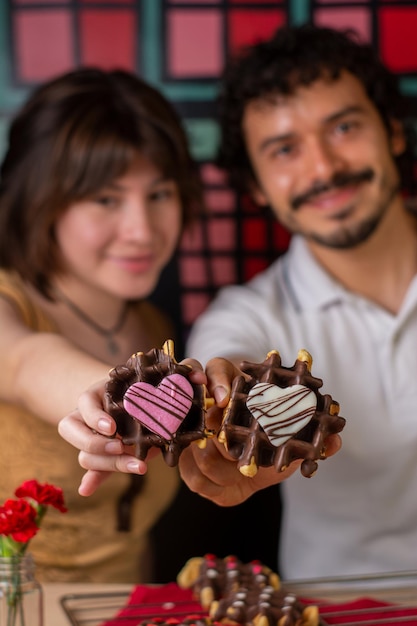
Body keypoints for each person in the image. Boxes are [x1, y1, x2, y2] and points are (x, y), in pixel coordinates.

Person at [58, 23, 417, 581]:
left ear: (393, 131)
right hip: (336, 608)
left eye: (343, 127)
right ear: (254, 185)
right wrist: (222, 427)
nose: (322, 168)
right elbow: (224, 362)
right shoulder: (247, 311)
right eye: (284, 149)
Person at [0, 67, 205, 583]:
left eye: (159, 194)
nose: (142, 230)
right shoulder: (10, 302)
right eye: (106, 199)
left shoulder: (157, 332)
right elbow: (24, 361)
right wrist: (112, 397)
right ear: (42, 203)